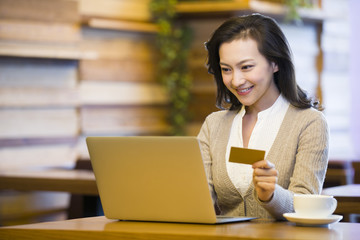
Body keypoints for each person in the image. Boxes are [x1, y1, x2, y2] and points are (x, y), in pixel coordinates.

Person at [197, 13, 329, 220]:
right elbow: (199, 198)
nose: (236, 80)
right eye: (226, 69)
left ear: (275, 63)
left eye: (246, 67)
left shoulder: (309, 123)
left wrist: (271, 195)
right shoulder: (213, 125)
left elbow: (306, 206)